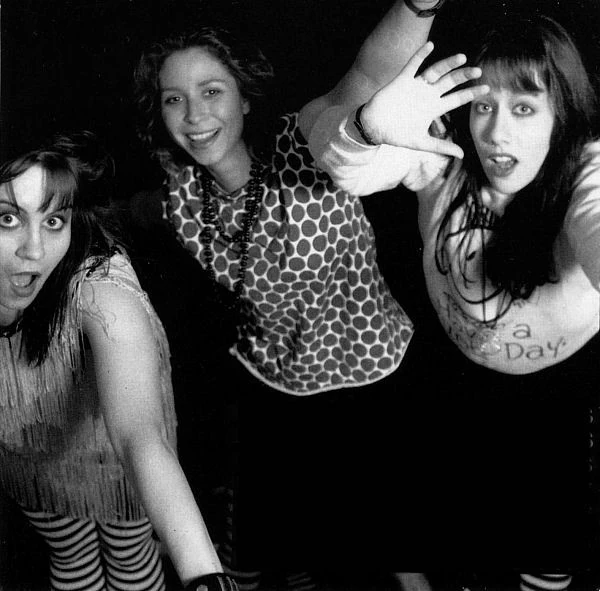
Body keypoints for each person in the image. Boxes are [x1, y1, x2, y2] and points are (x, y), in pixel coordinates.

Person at [131, 1, 488, 585]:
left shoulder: (302, 144)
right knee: (286, 556)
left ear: (245, 98)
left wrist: (419, 4)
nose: (194, 115)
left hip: (371, 374)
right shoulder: (181, 197)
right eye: (174, 98)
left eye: (212, 91)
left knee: (399, 553)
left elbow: (366, 78)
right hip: (273, 386)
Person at [302, 5, 600, 591]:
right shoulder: (443, 150)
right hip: (456, 378)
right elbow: (347, 171)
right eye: (484, 106)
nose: (496, 133)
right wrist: (365, 128)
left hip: (555, 398)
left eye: (523, 108)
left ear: (561, 111)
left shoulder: (587, 167)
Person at [0, 130, 234, 591]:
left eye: (54, 220)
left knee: (130, 553)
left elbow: (140, 437)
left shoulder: (97, 283)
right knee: (70, 552)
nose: (35, 250)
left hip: (113, 460)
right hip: (33, 458)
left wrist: (209, 579)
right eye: (8, 218)